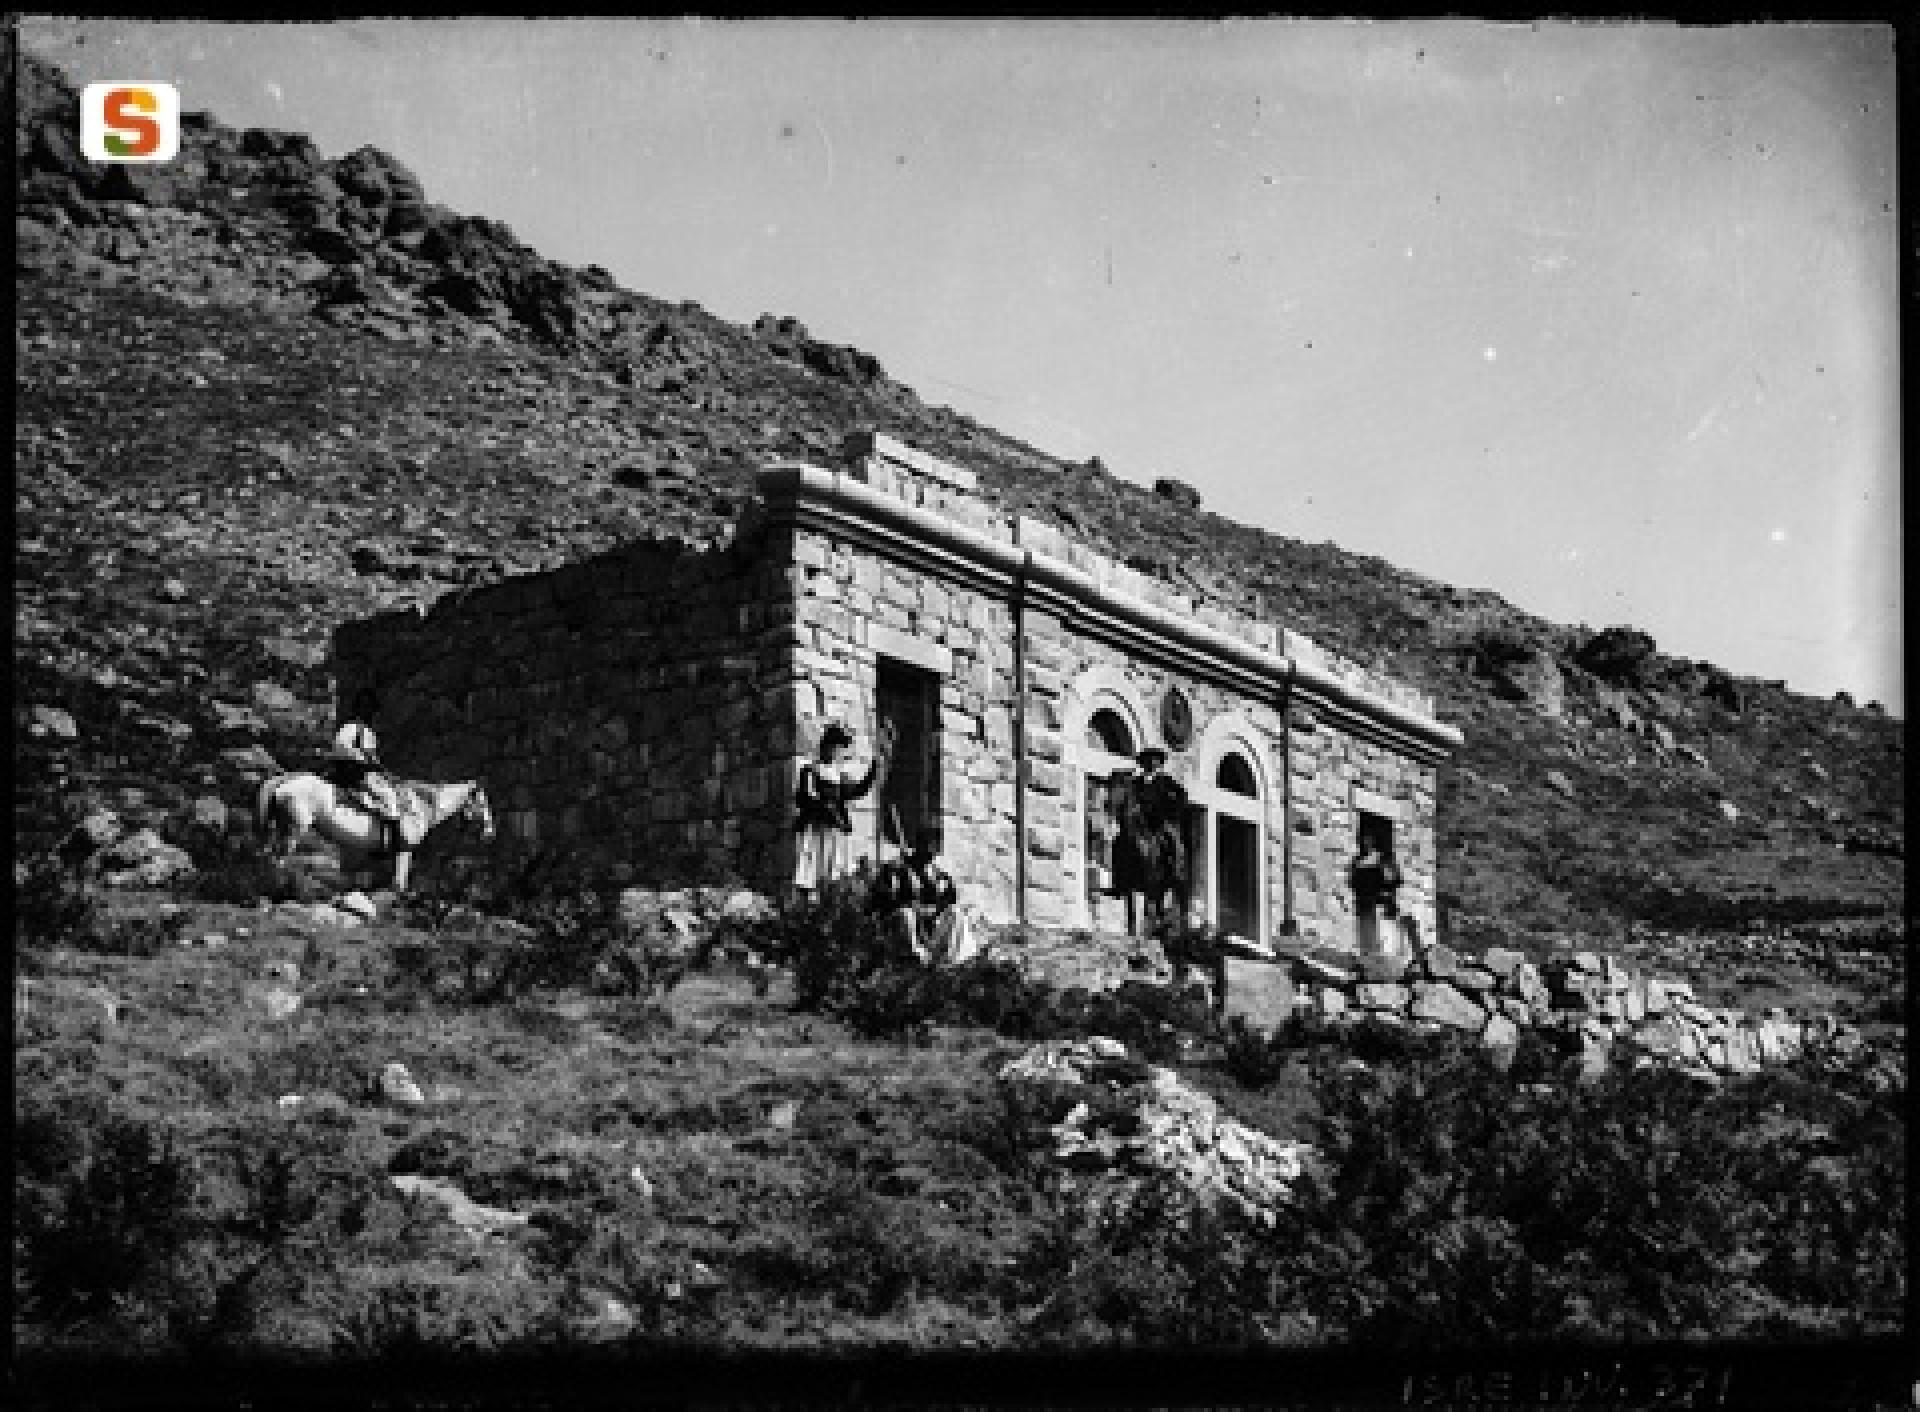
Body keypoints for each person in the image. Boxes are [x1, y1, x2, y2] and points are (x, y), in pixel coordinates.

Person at [792, 718, 892, 896]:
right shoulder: (811, 771)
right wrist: (823, 807)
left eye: (841, 748)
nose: (838, 752)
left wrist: (874, 767)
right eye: (835, 747)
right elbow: (804, 799)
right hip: (817, 830)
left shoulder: (840, 777)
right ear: (827, 747)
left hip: (837, 831)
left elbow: (858, 790)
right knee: (813, 871)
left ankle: (830, 904)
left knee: (835, 874)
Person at [870, 827, 972, 964]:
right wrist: (905, 900)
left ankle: (949, 960)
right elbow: (882, 900)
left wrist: (933, 910)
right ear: (917, 846)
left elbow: (950, 900)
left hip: (932, 929)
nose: (930, 854)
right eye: (926, 847)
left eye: (934, 849)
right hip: (907, 926)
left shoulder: (939, 875)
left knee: (956, 913)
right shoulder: (896, 868)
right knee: (905, 915)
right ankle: (914, 958)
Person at [327, 687, 405, 854]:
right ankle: (392, 842)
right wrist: (386, 774)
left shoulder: (345, 727)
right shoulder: (365, 732)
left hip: (337, 771)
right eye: (372, 712)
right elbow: (370, 757)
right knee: (390, 797)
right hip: (357, 773)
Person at [1133, 746, 1190, 933]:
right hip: (1142, 824)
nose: (1152, 763)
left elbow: (1182, 795)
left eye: (1155, 760)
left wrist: (1172, 811)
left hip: (1161, 822)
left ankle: (1176, 870)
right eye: (1148, 760)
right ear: (1143, 763)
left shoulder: (1165, 781)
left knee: (1172, 841)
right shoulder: (1136, 782)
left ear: (1159, 763)